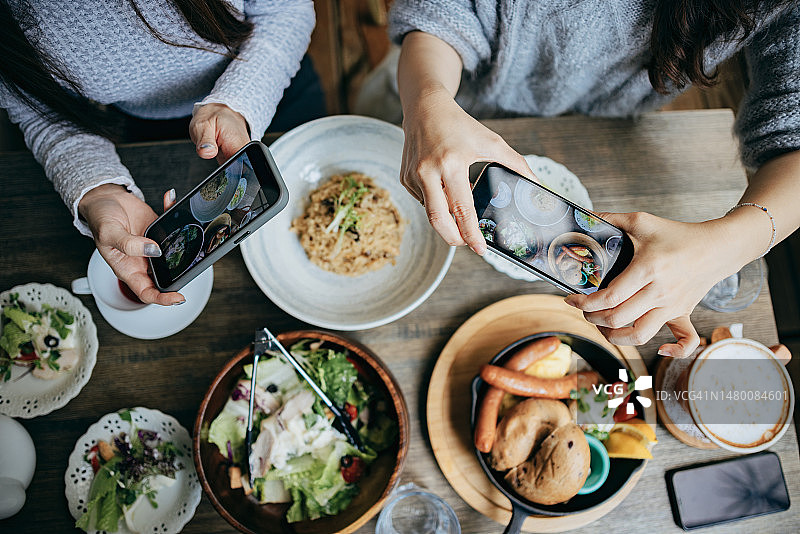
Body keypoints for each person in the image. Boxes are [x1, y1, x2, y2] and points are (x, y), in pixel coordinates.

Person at [388, 0, 800, 358]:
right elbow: (440, 12)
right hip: (447, 96)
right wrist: (426, 100)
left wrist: (722, 249)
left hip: (614, 126)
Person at [0, 0, 323, 305]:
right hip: (141, 124)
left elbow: (285, 11)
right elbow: (36, 109)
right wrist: (98, 189)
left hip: (263, 74)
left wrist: (236, 104)